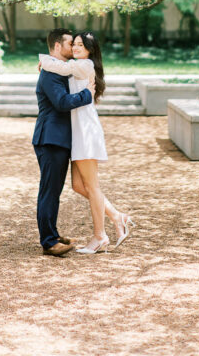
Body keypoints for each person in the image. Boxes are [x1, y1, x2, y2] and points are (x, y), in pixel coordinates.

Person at [38, 31, 134, 253]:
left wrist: (44, 61)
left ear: (90, 50)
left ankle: (100, 236)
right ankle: (118, 216)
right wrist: (47, 64)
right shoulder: (74, 64)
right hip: (76, 130)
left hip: (85, 130)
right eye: (74, 44)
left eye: (80, 44)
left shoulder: (85, 65)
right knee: (78, 186)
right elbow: (61, 72)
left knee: (91, 186)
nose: (76, 48)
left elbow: (61, 69)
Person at [32, 28, 95, 257]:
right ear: (58, 46)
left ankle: (53, 234)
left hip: (58, 139)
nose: (73, 48)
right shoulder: (50, 73)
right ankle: (48, 242)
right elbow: (61, 102)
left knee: (53, 190)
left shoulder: (57, 69)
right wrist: (87, 94)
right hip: (50, 139)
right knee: (49, 191)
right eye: (70, 44)